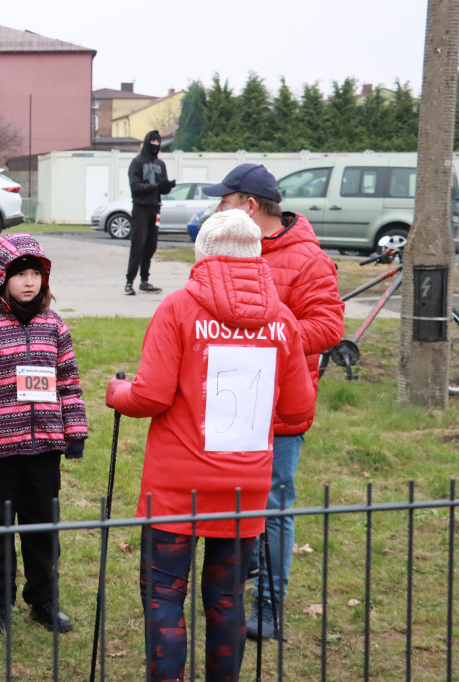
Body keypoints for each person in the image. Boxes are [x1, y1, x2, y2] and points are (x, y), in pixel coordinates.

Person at [106, 208, 315, 682]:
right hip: (245, 489)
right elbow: (299, 409)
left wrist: (116, 392)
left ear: (203, 253)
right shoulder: (280, 320)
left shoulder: (178, 308)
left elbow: (150, 396)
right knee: (227, 599)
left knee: (163, 595)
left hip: (177, 489)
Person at [201, 163, 344, 640]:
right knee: (234, 502)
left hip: (281, 407)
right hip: (233, 400)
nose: (216, 206)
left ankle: (269, 606)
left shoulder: (308, 260)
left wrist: (271, 337)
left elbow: (328, 328)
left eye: (224, 198)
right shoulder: (229, 248)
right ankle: (232, 587)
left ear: (249, 204)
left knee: (274, 504)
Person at [0, 233, 88, 633]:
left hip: (44, 446)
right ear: (1, 277)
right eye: (20, 274)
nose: (29, 282)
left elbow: (68, 381)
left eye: (35, 274)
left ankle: (43, 599)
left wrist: (74, 430)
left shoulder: (53, 325)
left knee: (42, 526)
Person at [125, 130, 175, 296]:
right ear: (147, 142)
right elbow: (135, 187)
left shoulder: (160, 165)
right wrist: (156, 186)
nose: (155, 145)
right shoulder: (137, 162)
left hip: (155, 208)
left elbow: (163, 188)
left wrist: (167, 186)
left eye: (157, 142)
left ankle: (144, 281)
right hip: (140, 208)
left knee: (151, 245)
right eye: (152, 142)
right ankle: (129, 282)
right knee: (138, 245)